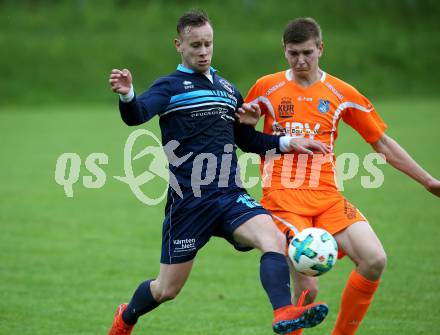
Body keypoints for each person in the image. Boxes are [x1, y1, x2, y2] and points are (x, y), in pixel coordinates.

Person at [107, 10, 331, 335]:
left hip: (229, 194)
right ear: (178, 45)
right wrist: (128, 94)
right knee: (166, 289)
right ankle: (126, 317)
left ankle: (283, 311)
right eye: (195, 45)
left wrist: (287, 141)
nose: (202, 51)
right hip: (189, 204)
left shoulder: (227, 88)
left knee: (274, 240)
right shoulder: (169, 87)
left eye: (208, 44)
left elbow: (246, 139)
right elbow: (137, 114)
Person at [243, 17, 440, 335]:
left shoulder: (340, 92)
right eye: (293, 53)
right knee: (309, 290)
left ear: (321, 48)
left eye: (307, 52)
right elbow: (241, 136)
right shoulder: (267, 87)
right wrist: (249, 125)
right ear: (284, 50)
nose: (300, 60)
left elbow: (382, 143)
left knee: (374, 259)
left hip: (327, 198)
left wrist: (429, 181)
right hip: (283, 199)